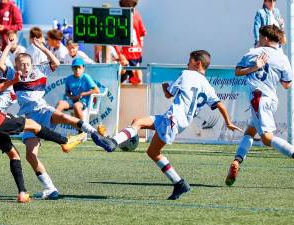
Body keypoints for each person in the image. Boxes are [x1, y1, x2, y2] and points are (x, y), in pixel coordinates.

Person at [93, 50, 242, 200]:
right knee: (143, 132)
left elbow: (169, 94)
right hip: (178, 122)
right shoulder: (207, 85)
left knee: (151, 147)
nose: (187, 63)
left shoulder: (187, 74)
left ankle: (113, 142)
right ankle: (179, 183)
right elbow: (220, 105)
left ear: (197, 63)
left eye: (189, 61)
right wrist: (228, 123)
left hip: (172, 119)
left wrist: (165, 87)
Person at [0, 55, 83, 203]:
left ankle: (22, 193)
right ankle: (64, 141)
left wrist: (13, 81)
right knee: (33, 125)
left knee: (14, 155)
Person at [0, 38, 114, 200]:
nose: (24, 66)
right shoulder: (14, 75)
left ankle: (94, 134)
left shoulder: (39, 71)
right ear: (16, 65)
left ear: (32, 64)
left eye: (27, 63)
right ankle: (50, 188)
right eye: (21, 64)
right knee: (30, 156)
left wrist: (42, 47)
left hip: (44, 111)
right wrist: (9, 46)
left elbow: (55, 62)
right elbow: (1, 65)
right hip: (30, 119)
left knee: (64, 117)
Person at [225, 25, 294, 186]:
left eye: (260, 37)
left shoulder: (254, 53)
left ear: (266, 39)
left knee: (266, 138)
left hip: (258, 99)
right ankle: (237, 161)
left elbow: (237, 71)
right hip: (271, 100)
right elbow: (287, 85)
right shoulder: (283, 58)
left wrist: (255, 67)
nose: (258, 39)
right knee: (250, 131)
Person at [115, 0, 146, 84]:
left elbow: (142, 33)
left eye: (130, 4)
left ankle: (140, 94)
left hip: (136, 54)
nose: (128, 6)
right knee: (124, 76)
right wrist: (120, 54)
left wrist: (140, 47)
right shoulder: (120, 16)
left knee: (138, 78)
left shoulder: (137, 15)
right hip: (125, 55)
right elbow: (115, 38)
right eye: (126, 4)